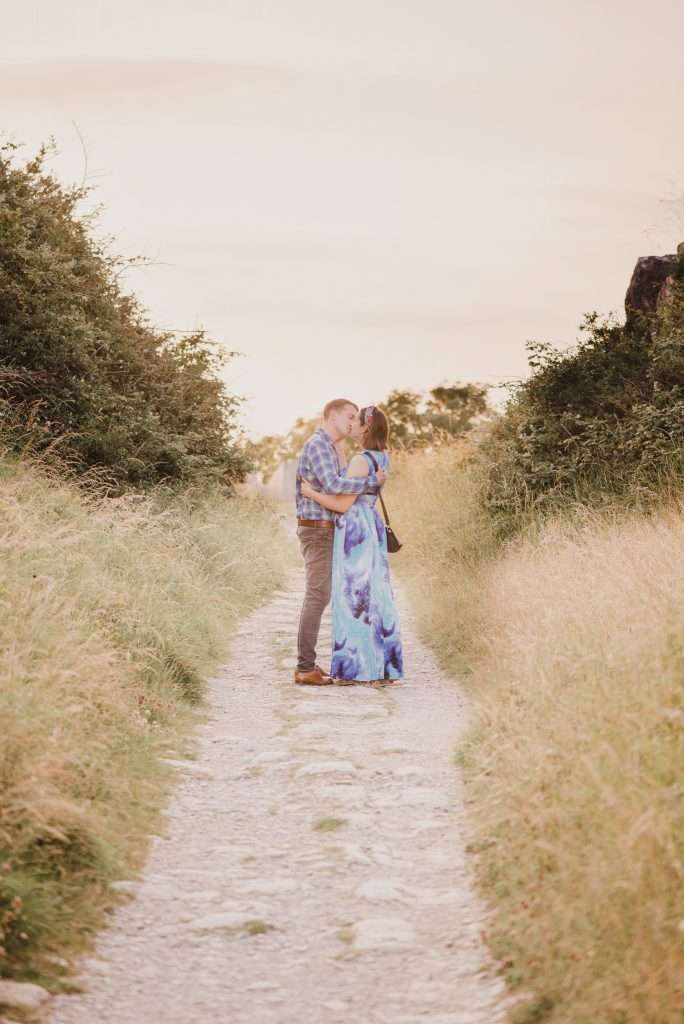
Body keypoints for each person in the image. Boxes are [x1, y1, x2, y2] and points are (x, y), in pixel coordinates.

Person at [300, 405, 404, 684]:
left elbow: (342, 502)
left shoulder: (362, 461)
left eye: (355, 421)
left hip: (355, 529)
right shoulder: (383, 457)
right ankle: (380, 666)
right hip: (370, 525)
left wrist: (309, 492)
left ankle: (357, 666)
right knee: (374, 596)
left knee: (355, 599)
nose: (351, 425)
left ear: (365, 428)